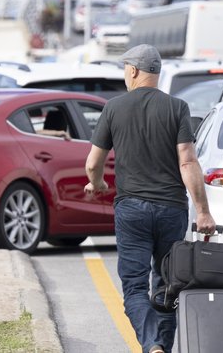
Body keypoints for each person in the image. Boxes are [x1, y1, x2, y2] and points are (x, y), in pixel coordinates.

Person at [85, 44, 215, 353]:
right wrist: (203, 212)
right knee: (167, 286)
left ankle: (151, 344)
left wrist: (97, 183)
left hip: (131, 210)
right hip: (171, 208)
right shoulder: (177, 107)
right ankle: (161, 348)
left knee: (134, 286)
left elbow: (92, 163)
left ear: (132, 70)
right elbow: (188, 161)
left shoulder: (113, 107)